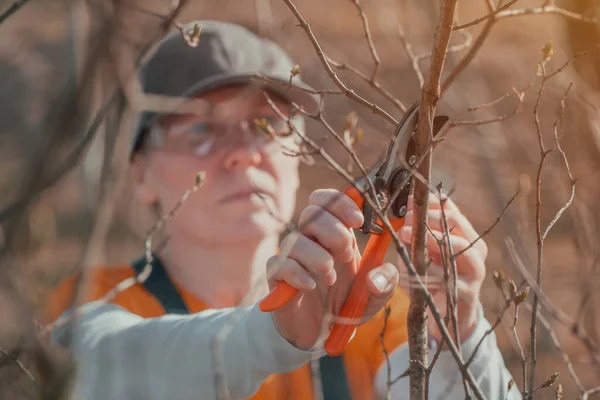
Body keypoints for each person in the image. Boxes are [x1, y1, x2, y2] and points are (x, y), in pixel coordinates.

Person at [43, 20, 520, 400]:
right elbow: (103, 367)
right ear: (140, 173)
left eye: (266, 125)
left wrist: (457, 337)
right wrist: (271, 333)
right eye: (199, 130)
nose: (242, 152)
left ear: (298, 157)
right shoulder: (93, 304)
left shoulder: (379, 318)